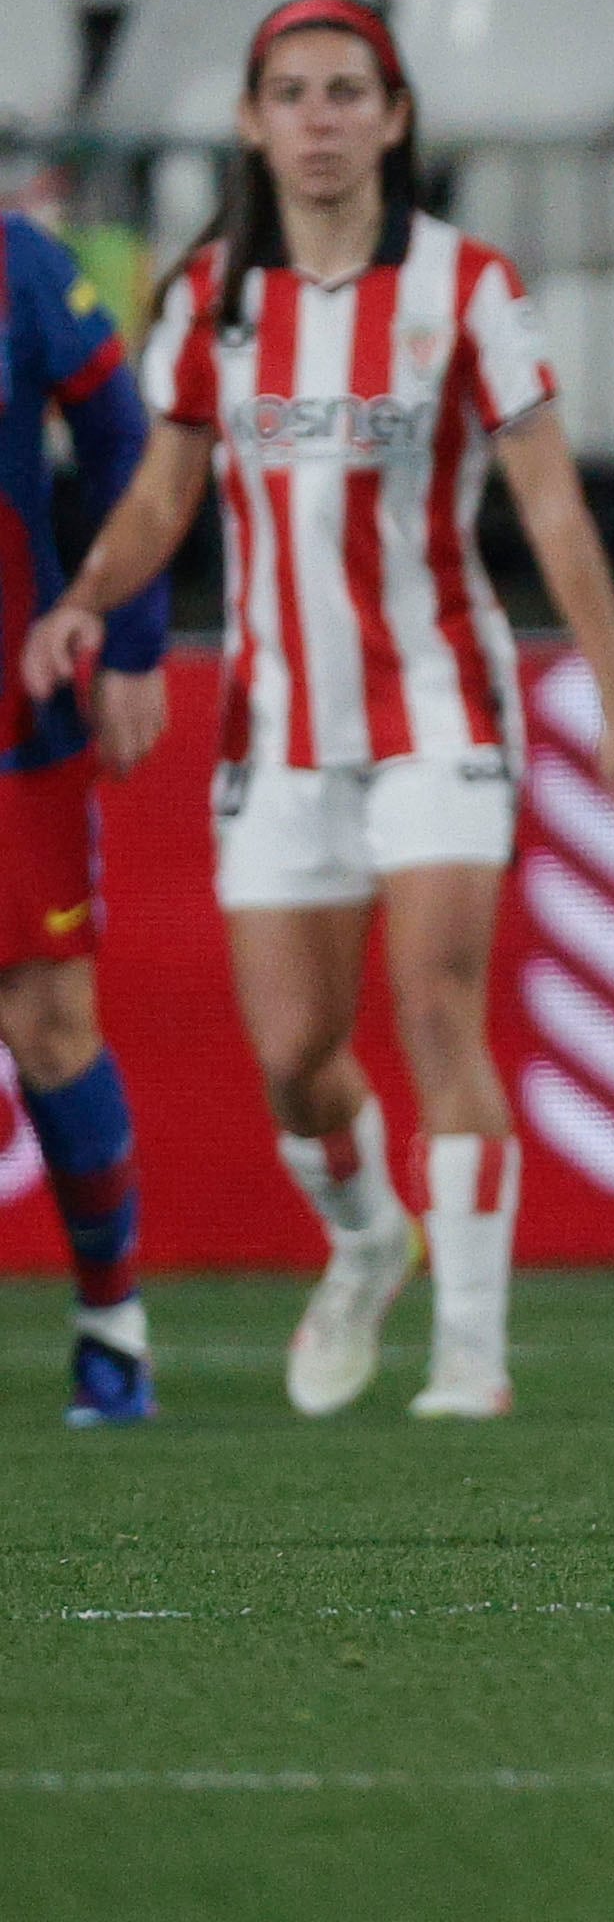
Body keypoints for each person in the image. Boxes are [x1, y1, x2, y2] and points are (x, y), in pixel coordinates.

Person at [21, 0, 614, 1422]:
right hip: (277, 725)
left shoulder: (467, 286)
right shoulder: (211, 297)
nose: (319, 120)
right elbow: (159, 491)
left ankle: (471, 1355)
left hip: (440, 702)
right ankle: (368, 1233)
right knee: (294, 1060)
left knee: (439, 1007)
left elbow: (552, 504)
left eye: (345, 93)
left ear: (393, 117)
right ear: (255, 124)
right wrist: (86, 599)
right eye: (291, 94)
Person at [0, 214, 171, 1424]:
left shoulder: (21, 263)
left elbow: (124, 440)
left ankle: (112, 1324)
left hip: (15, 706)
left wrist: (131, 637)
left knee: (50, 1018)